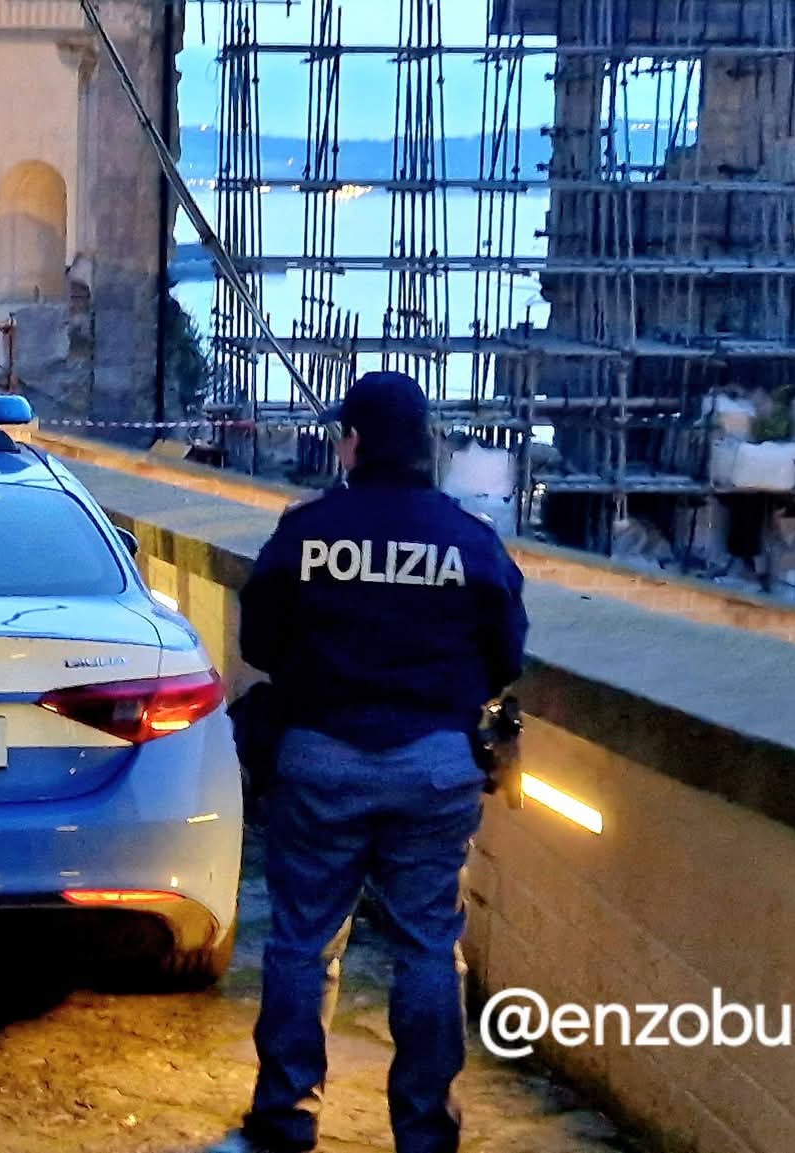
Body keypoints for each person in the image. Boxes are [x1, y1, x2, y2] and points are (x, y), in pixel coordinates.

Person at [230, 370, 528, 1153]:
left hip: (320, 756)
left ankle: (287, 1114)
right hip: (434, 765)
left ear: (354, 443)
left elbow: (258, 641)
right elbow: (506, 654)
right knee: (427, 945)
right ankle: (425, 1131)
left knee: (303, 939)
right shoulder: (469, 539)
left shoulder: (307, 531)